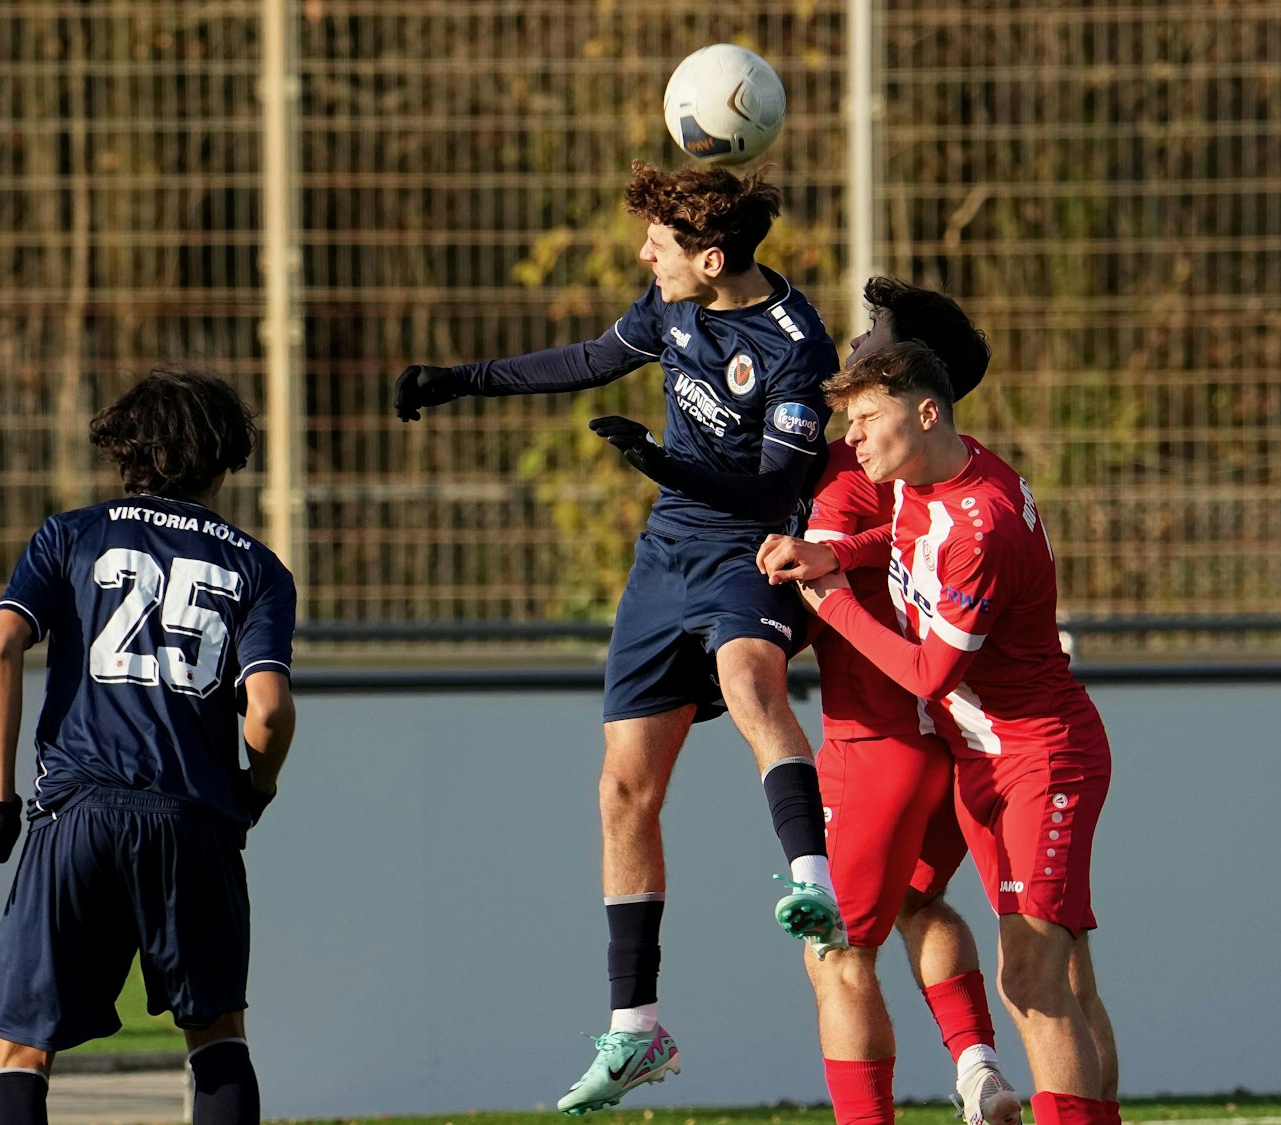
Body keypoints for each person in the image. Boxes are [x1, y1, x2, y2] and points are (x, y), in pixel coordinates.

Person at [392, 161, 844, 1114]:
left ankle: (814, 879)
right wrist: (459, 381)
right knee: (623, 790)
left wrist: (665, 461)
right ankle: (636, 1032)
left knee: (754, 683)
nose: (645, 255)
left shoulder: (796, 345)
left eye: (660, 245)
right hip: (663, 561)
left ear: (712, 258)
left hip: (746, 553)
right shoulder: (671, 308)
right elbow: (593, 358)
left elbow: (772, 492)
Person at [760, 341, 1122, 1125]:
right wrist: (836, 550)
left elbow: (929, 675)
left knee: (1030, 979)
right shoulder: (937, 474)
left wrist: (834, 603)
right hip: (982, 760)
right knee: (1057, 978)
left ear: (926, 413)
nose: (851, 437)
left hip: (1038, 757)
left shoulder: (982, 523)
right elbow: (901, 540)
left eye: (866, 419)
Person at [0, 370, 297, 1125]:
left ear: (128, 452)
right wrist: (258, 787)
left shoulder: (68, 535)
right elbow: (269, 710)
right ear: (222, 462)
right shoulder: (258, 567)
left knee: (20, 1051)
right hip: (192, 822)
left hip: (76, 812)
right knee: (216, 1038)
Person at [799, 279, 1019, 1125]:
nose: (855, 348)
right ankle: (977, 1068)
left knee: (836, 950)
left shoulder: (858, 470)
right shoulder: (949, 472)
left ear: (913, 384)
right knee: (920, 903)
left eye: (874, 341)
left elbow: (809, 589)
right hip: (954, 740)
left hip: (874, 741)